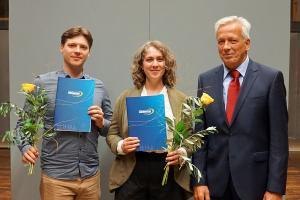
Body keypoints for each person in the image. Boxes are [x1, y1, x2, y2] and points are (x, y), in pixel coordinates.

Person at [192, 16, 289, 200]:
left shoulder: (270, 79)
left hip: (255, 183)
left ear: (247, 43)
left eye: (232, 40)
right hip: (214, 184)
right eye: (221, 41)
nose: (226, 46)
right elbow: (200, 137)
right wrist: (199, 180)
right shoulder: (206, 79)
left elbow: (279, 141)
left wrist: (275, 188)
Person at [19, 26, 112, 200]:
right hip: (56, 178)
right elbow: (23, 124)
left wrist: (101, 122)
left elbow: (110, 128)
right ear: (62, 47)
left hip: (90, 176)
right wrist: (25, 148)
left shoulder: (98, 87)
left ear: (89, 52)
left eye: (83, 47)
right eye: (72, 45)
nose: (77, 51)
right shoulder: (42, 84)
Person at [106, 40, 192, 200]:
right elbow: (112, 133)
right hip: (132, 167)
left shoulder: (182, 99)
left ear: (167, 64)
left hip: (168, 169)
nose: (155, 64)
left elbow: (190, 137)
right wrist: (121, 145)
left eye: (160, 59)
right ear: (141, 64)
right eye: (149, 59)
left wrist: (182, 152)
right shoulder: (125, 97)